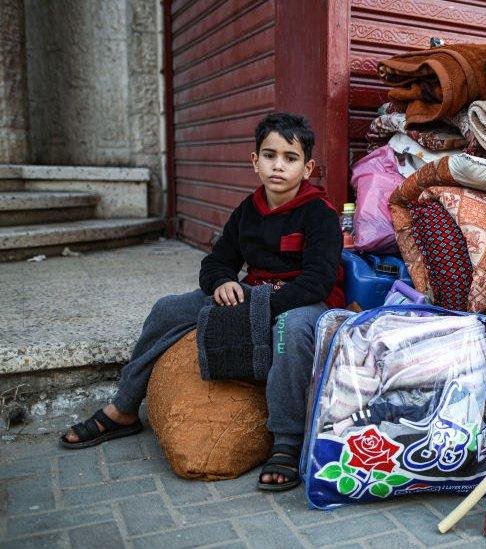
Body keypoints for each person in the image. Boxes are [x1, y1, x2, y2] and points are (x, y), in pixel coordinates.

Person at [60, 112, 343, 492]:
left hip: (304, 302)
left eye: (290, 158)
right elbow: (217, 261)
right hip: (253, 294)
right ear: (254, 162)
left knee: (289, 332)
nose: (279, 165)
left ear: (306, 168)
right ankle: (124, 409)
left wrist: (256, 308)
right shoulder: (248, 211)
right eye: (269, 155)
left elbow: (318, 280)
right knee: (167, 309)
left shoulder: (319, 214)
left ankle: (287, 442)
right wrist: (223, 282)